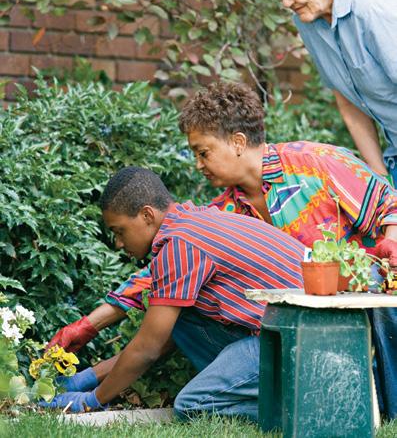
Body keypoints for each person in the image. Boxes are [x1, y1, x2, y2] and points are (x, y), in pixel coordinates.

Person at [49, 82, 397, 417]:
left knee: (374, 283)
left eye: (204, 152)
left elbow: (389, 203)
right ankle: (288, 390)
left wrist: (390, 247)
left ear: (238, 142)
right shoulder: (222, 212)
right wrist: (88, 331)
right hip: (284, 323)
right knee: (181, 310)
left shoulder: (314, 163)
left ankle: (360, 401)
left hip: (357, 299)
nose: (198, 164)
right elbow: (161, 282)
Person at [41, 166, 305, 417]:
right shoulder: (191, 222)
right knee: (182, 321)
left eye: (119, 231)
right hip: (288, 337)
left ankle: (294, 411)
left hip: (293, 346)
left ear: (147, 215)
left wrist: (92, 401)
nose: (119, 244)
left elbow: (147, 349)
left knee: (193, 405)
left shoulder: (179, 245)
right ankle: (275, 394)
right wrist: (85, 379)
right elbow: (159, 339)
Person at [246, 0, 397, 187]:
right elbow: (349, 103)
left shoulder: (376, 6)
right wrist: (381, 179)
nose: (286, 3)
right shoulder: (308, 18)